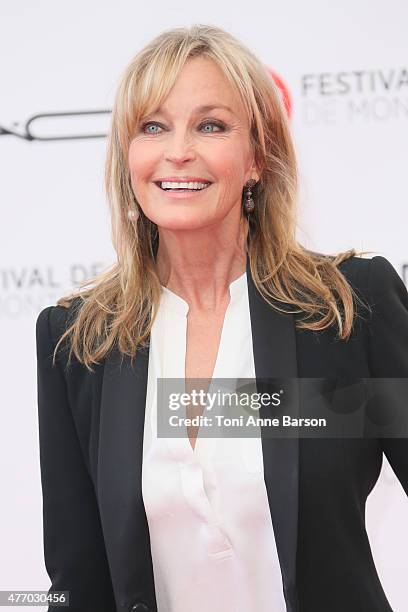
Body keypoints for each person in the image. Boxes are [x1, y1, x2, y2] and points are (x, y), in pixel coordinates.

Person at [36, 24, 408, 612]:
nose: (177, 150)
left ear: (257, 157)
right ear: (128, 156)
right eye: (152, 126)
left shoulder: (347, 310)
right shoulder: (79, 342)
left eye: (210, 125)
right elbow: (77, 580)